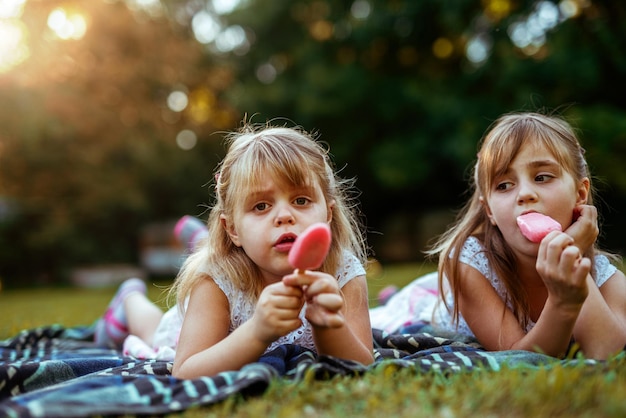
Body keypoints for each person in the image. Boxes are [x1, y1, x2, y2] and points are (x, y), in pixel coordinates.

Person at [94, 123, 374, 378]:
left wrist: (329, 325)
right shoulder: (217, 280)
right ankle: (130, 300)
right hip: (191, 336)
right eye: (261, 206)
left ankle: (201, 241)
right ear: (234, 230)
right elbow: (186, 370)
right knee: (153, 330)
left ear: (328, 213)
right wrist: (257, 331)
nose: (284, 216)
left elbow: (363, 365)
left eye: (301, 200)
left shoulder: (343, 272)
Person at [371, 111, 626, 360]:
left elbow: (607, 353)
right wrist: (563, 302)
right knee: (395, 311)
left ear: (580, 194)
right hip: (432, 310)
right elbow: (519, 355)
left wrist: (574, 260)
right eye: (504, 185)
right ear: (489, 210)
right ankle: (394, 295)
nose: (525, 194)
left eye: (542, 177)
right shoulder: (469, 264)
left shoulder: (605, 278)